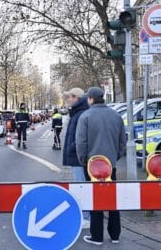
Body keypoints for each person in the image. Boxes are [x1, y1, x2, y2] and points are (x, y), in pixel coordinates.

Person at [75, 87, 125, 245]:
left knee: (94, 199)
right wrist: (114, 157)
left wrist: (84, 161)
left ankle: (96, 236)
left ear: (90, 99)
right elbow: (122, 141)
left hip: (91, 166)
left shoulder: (86, 116)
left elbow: (81, 143)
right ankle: (115, 235)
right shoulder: (116, 116)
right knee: (112, 199)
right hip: (110, 164)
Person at [61, 87, 90, 228]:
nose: (67, 100)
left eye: (69, 97)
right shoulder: (77, 113)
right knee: (81, 185)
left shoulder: (80, 114)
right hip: (76, 156)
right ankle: (85, 215)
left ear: (77, 98)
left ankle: (87, 217)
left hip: (78, 157)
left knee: (81, 186)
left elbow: (81, 138)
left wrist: (72, 148)